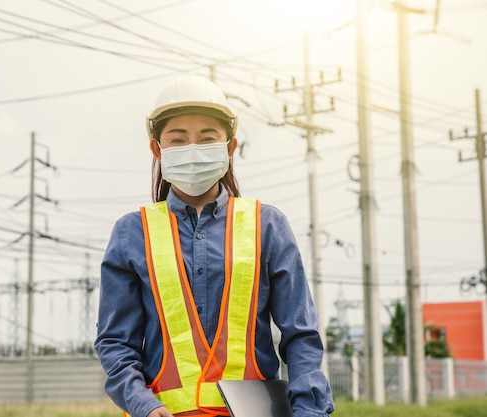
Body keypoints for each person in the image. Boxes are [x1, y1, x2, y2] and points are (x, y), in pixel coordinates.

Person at [94, 75, 334, 417]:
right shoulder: (132, 234)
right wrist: (142, 404)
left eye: (207, 138)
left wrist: (309, 410)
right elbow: (116, 343)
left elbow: (301, 336)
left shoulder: (267, 226)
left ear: (229, 148)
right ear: (156, 150)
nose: (192, 149)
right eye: (178, 140)